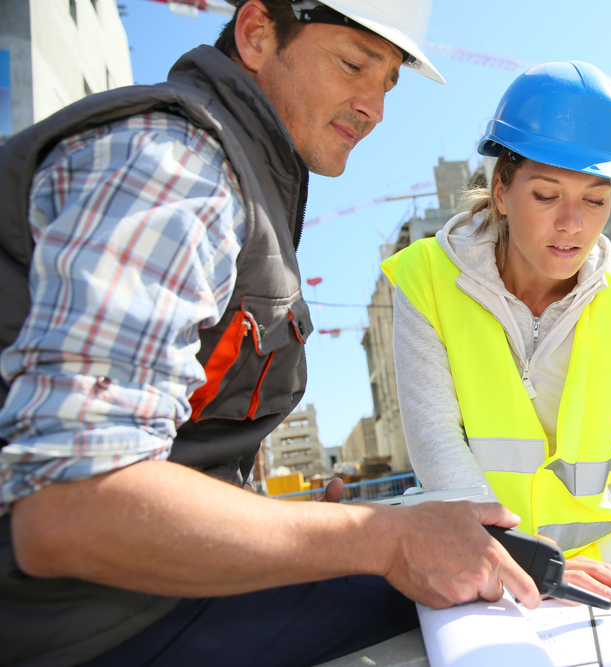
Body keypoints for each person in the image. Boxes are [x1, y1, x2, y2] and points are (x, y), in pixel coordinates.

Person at [0, 1, 540, 665]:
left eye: (388, 83)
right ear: (257, 33)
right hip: (64, 620)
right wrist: (376, 537)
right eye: (352, 64)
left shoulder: (248, 175)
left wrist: (299, 522)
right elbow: (69, 508)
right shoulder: (175, 165)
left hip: (114, 599)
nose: (372, 107)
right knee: (454, 605)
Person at [384, 61, 611, 611]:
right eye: (546, 195)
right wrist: (529, 560)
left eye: (594, 199)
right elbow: (436, 444)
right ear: (500, 192)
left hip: (608, 571)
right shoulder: (426, 281)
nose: (573, 224)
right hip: (481, 562)